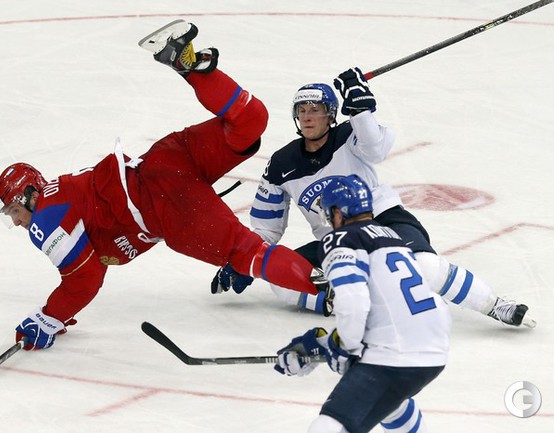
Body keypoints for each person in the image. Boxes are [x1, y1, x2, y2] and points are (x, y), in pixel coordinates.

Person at [0, 21, 329, 350]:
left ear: (30, 194)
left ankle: (329, 290)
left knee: (247, 253)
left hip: (166, 205)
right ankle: (190, 66)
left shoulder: (46, 219)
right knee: (248, 122)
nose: (18, 221)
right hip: (166, 158)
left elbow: (84, 279)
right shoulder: (62, 190)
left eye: (15, 210)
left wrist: (49, 317)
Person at [212, 67, 535, 327]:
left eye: (316, 110)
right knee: (282, 278)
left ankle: (494, 304)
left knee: (425, 267)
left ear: (332, 114)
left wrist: (361, 110)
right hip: (336, 240)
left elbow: (376, 148)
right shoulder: (281, 164)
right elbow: (267, 226)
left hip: (383, 220)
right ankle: (339, 301)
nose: (308, 117)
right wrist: (247, 259)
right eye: (302, 110)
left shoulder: (350, 134)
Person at [274, 175, 451, 433]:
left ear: (338, 213)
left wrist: (345, 346)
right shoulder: (391, 235)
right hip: (433, 344)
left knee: (328, 426)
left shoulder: (341, 240)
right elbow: (383, 309)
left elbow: (353, 301)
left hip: (396, 351)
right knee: (390, 402)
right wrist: (324, 342)